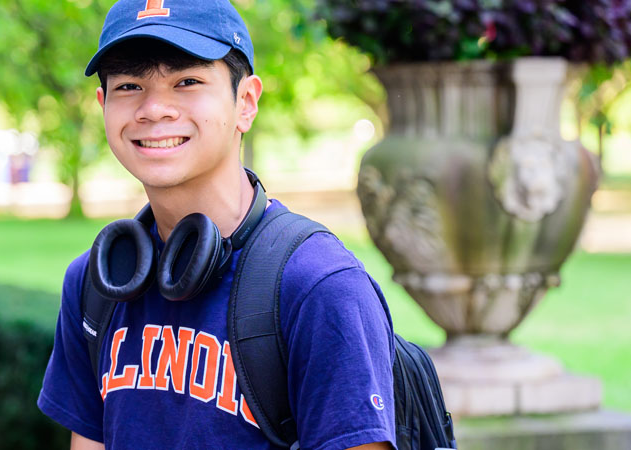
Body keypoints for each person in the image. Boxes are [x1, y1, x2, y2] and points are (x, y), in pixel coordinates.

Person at [37, 1, 396, 449]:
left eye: (187, 81)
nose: (154, 108)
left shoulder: (318, 285)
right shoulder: (95, 283)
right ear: (102, 105)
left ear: (245, 102)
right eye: (129, 85)